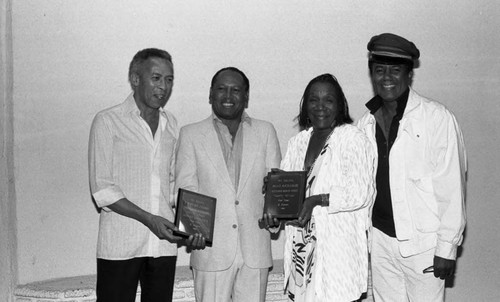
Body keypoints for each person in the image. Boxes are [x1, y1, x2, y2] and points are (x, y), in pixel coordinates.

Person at [357, 33, 467, 302]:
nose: (387, 78)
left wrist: (447, 247)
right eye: (379, 70)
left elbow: (452, 188)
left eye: (395, 70)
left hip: (424, 247)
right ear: (372, 74)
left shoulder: (437, 118)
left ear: (409, 75)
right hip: (381, 241)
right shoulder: (364, 124)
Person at [88, 48, 204, 302]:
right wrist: (148, 219)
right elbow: (102, 189)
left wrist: (193, 225)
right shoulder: (108, 121)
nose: (163, 86)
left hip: (163, 246)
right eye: (156, 78)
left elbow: (174, 183)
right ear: (135, 78)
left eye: (169, 79)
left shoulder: (171, 124)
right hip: (120, 246)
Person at [174, 67, 282, 302]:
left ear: (246, 97)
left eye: (236, 90)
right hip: (210, 251)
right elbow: (185, 188)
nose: (228, 96)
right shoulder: (190, 134)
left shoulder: (265, 131)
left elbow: (276, 186)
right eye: (221, 89)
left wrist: (276, 216)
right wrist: (191, 230)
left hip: (255, 249)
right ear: (210, 94)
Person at [272, 73, 376, 301]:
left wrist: (316, 200)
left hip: (337, 259)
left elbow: (360, 193)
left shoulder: (352, 138)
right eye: (313, 100)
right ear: (305, 105)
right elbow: (289, 197)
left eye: (328, 100)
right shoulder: (298, 142)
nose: (321, 106)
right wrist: (274, 205)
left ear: (340, 105)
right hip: (302, 256)